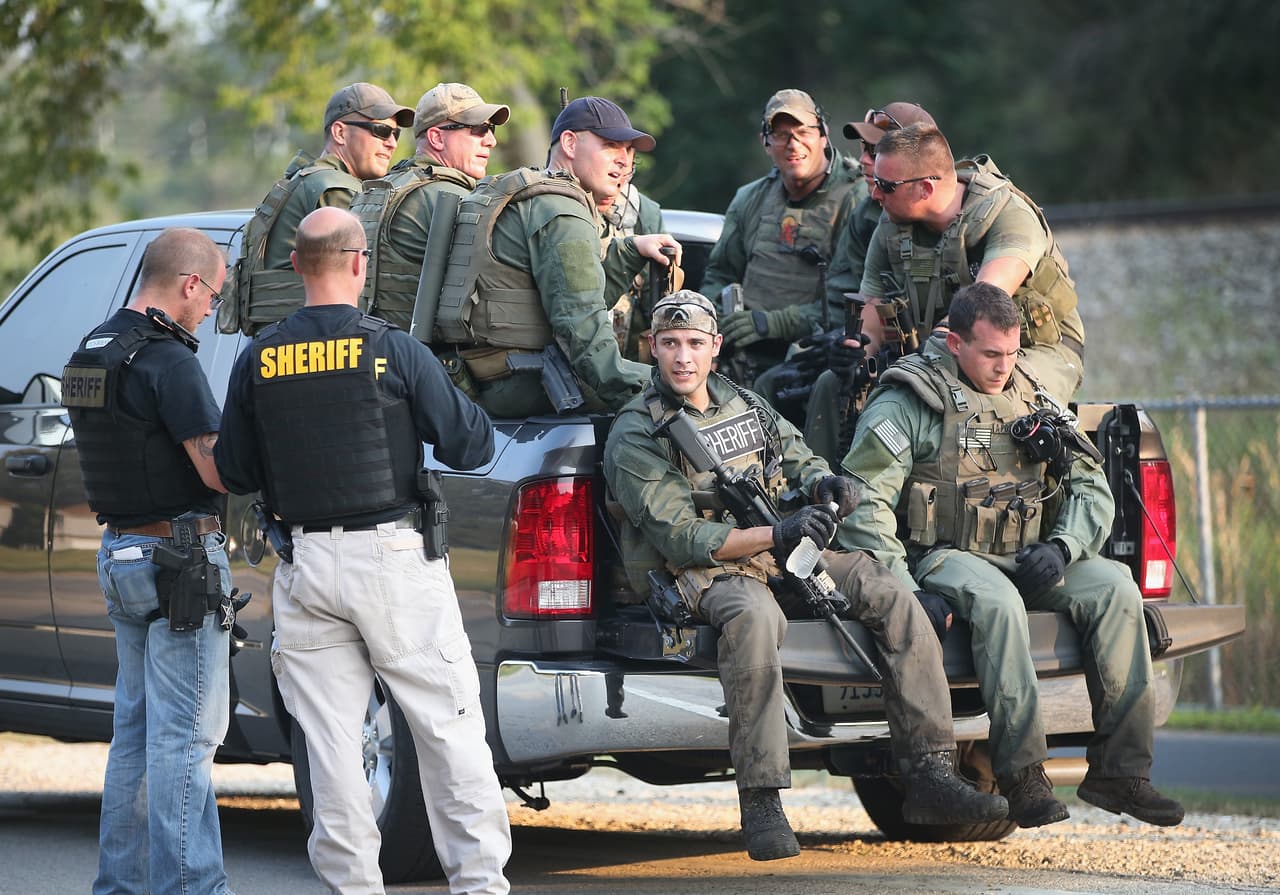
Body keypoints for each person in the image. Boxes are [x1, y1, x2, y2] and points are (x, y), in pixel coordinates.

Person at [603, 290, 1007, 862]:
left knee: (889, 591)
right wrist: (780, 534)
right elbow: (681, 537)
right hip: (707, 568)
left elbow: (797, 454)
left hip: (781, 546)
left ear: (716, 348)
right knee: (755, 617)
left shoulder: (742, 401)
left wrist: (823, 484)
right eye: (669, 343)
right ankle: (763, 799)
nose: (682, 358)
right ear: (652, 347)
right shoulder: (637, 432)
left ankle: (931, 774)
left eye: (695, 343)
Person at [214, 207, 511, 895]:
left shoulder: (259, 358)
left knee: (331, 748)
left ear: (295, 267)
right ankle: (479, 884)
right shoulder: (395, 350)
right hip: (392, 563)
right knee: (449, 728)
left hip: (305, 566)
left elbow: (234, 471)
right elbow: (471, 443)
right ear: (359, 263)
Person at [838, 282, 1184, 830]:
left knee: (1117, 586)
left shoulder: (1029, 393)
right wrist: (905, 589)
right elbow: (866, 499)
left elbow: (1092, 483)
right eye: (990, 354)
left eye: (1012, 352)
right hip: (947, 555)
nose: (1003, 367)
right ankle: (1022, 775)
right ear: (954, 342)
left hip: (1030, 552)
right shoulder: (909, 400)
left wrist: (1064, 545)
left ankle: (1121, 771)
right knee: (998, 604)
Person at [62, 228, 236, 895]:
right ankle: (191, 887)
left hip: (120, 555)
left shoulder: (92, 350)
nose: (210, 311)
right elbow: (214, 471)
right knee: (184, 741)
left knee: (133, 736)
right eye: (212, 295)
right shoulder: (169, 360)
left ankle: (122, 886)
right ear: (189, 282)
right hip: (180, 561)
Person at [433, 96, 681, 417]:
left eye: (629, 153)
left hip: (477, 377)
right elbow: (588, 341)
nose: (623, 162)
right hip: (523, 382)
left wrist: (630, 251)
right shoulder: (563, 211)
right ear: (569, 143)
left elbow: (565, 299)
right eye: (610, 145)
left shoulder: (523, 191)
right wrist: (677, 387)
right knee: (677, 397)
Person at [859, 123, 1085, 402]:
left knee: (998, 404)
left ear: (925, 188)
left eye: (886, 186)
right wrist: (857, 351)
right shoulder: (892, 226)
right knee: (836, 385)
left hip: (1037, 350)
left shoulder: (1008, 216)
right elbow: (870, 308)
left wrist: (922, 361)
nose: (874, 194)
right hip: (950, 350)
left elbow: (984, 300)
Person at [699, 89, 865, 389]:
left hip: (816, 360)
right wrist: (712, 323)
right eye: (781, 134)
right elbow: (720, 273)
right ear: (766, 142)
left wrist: (770, 323)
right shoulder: (750, 198)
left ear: (823, 135)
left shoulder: (856, 199)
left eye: (803, 132)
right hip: (743, 357)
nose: (793, 144)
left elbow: (850, 300)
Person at [804, 103, 939, 468]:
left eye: (876, 151)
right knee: (828, 381)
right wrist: (851, 348)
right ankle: (816, 494)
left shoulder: (960, 215)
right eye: (865, 151)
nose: (865, 161)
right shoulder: (873, 218)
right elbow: (857, 298)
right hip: (899, 347)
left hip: (957, 355)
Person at [226, 82, 414, 334]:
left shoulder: (307, 178)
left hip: (285, 336)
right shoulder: (332, 187)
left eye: (395, 134)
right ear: (339, 133)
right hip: (307, 340)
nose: (391, 143)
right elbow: (365, 271)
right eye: (380, 130)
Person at [351, 82, 511, 330]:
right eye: (479, 129)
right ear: (436, 137)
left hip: (368, 347)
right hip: (419, 359)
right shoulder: (451, 196)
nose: (490, 141)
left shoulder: (382, 187)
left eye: (491, 130)